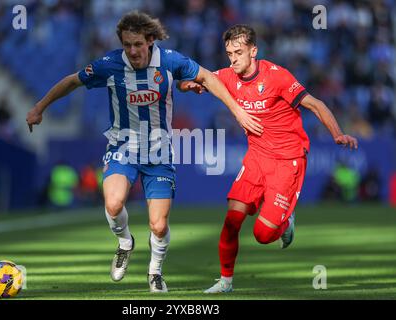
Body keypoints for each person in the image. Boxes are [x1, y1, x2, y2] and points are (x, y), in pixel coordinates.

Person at [26, 12, 263, 293]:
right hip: (122, 147)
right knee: (113, 204)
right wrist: (40, 107)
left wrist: (236, 110)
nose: (133, 51)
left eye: (138, 44)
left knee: (158, 225)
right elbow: (72, 81)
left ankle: (155, 272)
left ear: (150, 41)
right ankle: (125, 243)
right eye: (127, 45)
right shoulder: (111, 64)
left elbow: (208, 79)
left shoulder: (171, 61)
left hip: (159, 153)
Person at [178, 24, 358, 293]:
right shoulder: (227, 76)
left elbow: (315, 104)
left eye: (238, 52)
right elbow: (187, 82)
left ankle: (286, 221)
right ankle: (225, 281)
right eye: (229, 54)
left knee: (263, 235)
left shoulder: (277, 77)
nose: (233, 58)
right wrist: (189, 85)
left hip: (288, 159)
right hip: (257, 157)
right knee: (232, 219)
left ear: (253, 51)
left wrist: (338, 133)